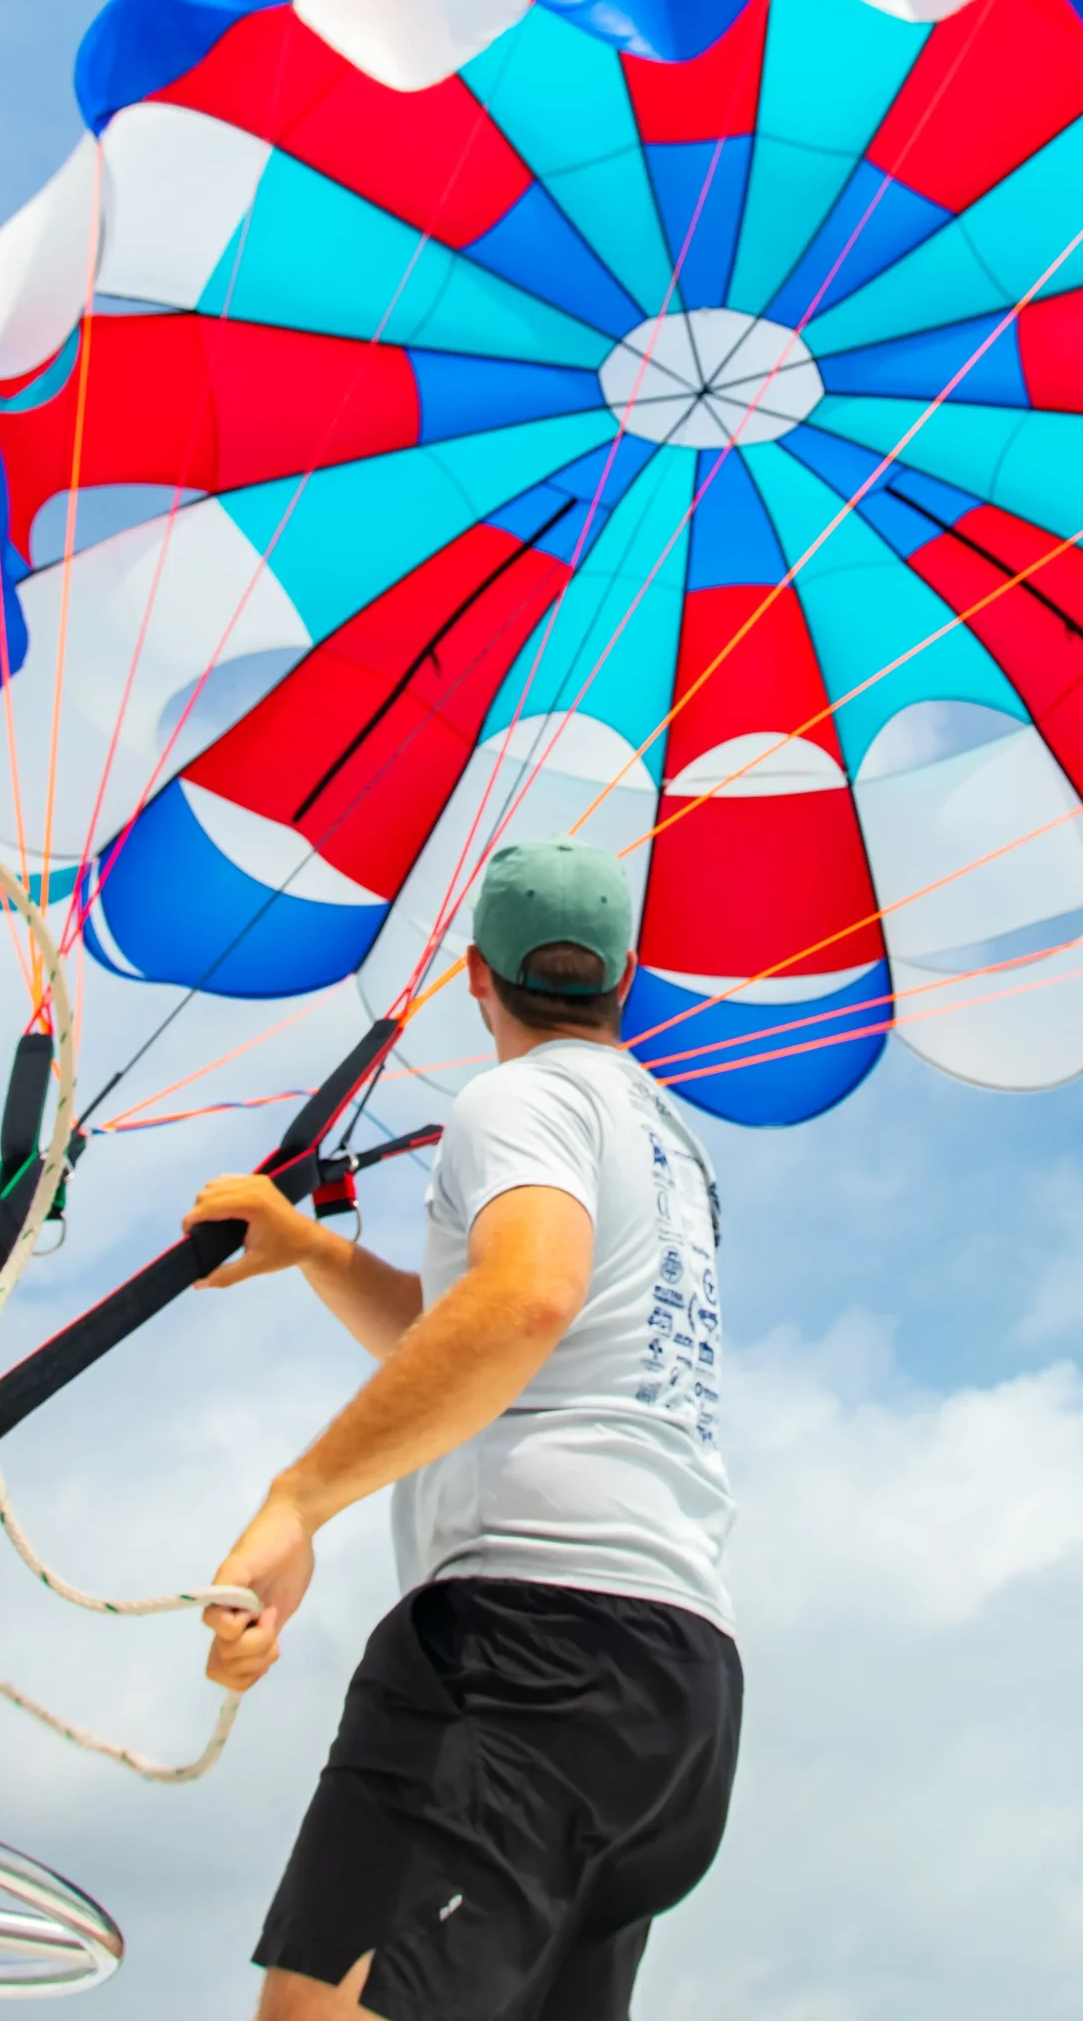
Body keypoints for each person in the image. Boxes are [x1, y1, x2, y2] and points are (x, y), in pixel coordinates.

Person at [185, 837, 740, 2021]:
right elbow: (481, 1342)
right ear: (627, 980)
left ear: (473, 978)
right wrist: (319, 1248)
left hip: (524, 1649)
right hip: (675, 1691)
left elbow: (524, 1302)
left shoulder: (518, 1096)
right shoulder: (672, 1146)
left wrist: (300, 1500)